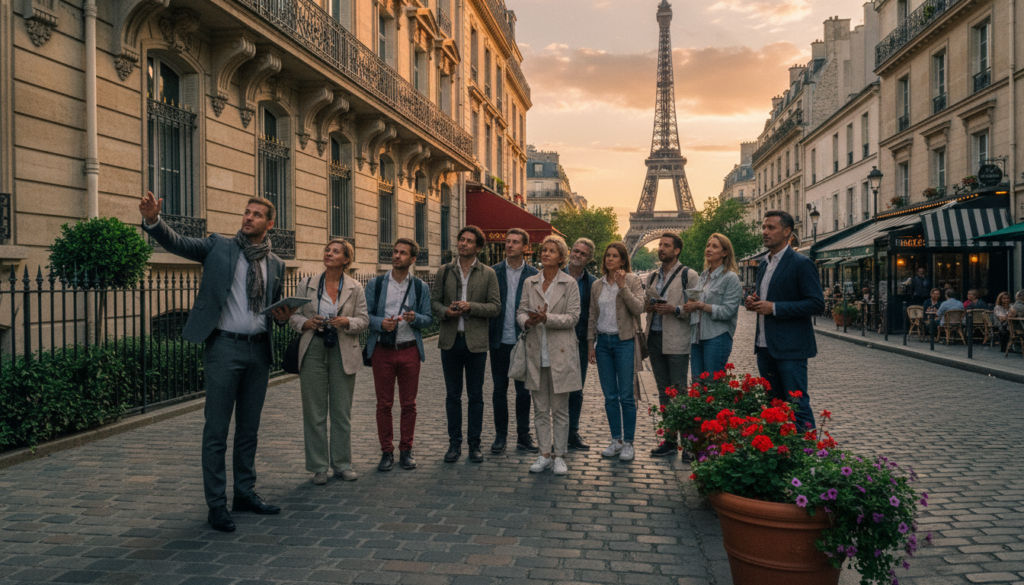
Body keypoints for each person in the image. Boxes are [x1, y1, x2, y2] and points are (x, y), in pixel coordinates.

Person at [139, 191, 295, 533]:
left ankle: (244, 493)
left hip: (259, 352)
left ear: (270, 224)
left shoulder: (276, 264)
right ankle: (216, 505)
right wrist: (154, 220)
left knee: (249, 430)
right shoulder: (218, 247)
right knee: (216, 431)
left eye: (256, 215)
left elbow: (275, 312)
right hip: (224, 348)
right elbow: (178, 243)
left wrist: (282, 316)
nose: (248, 218)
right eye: (246, 212)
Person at [289, 240, 369, 484]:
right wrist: (307, 323)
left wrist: (347, 322)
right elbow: (293, 314)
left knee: (341, 411)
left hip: (343, 348)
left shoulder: (356, 287)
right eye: (327, 250)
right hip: (313, 346)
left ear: (346, 259)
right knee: (314, 411)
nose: (329, 253)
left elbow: (364, 320)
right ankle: (318, 467)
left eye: (335, 251)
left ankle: (342, 464)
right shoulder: (308, 283)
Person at [745, 210, 824, 431]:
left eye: (771, 228)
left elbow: (816, 303)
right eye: (764, 227)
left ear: (787, 232)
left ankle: (808, 458)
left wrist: (775, 308)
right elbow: (765, 299)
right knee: (773, 407)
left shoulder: (801, 263)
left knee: (797, 405)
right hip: (764, 347)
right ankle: (781, 455)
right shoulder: (763, 264)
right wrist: (753, 302)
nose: (765, 232)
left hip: (790, 349)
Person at [431, 226, 501, 464]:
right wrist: (446, 312)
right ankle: (454, 444)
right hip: (450, 341)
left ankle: (474, 444)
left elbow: (495, 307)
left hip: (476, 344)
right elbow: (434, 303)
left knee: (475, 396)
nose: (463, 244)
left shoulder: (488, 273)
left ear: (478, 247)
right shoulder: (444, 271)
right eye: (461, 239)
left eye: (469, 241)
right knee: (452, 396)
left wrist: (471, 306)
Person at [365, 239, 433, 472]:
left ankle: (406, 450)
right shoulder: (375, 284)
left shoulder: (420, 287)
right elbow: (365, 317)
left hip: (409, 349)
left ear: (413, 259)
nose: (397, 256)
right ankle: (386, 452)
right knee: (384, 404)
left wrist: (416, 318)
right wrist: (381, 323)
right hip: (383, 351)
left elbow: (428, 318)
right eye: (395, 252)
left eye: (403, 253)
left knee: (409, 404)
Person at [517, 235, 581, 475]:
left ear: (561, 258)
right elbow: (520, 310)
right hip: (536, 351)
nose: (545, 254)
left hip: (560, 353)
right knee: (541, 408)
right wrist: (528, 321)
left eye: (552, 251)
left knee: (560, 409)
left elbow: (574, 317)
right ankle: (544, 454)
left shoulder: (569, 284)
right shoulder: (530, 282)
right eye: (544, 250)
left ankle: (560, 455)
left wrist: (547, 318)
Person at [587, 242, 644, 461]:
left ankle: (629, 442)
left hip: (624, 342)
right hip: (603, 344)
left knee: (627, 396)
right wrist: (590, 344)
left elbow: (638, 308)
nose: (609, 259)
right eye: (607, 255)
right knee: (610, 396)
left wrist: (623, 287)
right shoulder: (597, 285)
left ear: (623, 260)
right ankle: (616, 440)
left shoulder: (632, 280)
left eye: (615, 256)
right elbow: (593, 315)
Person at [644, 232, 700, 457]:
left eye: (666, 245)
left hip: (677, 338)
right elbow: (644, 304)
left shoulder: (689, 275)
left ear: (677, 250)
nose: (661, 248)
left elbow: (694, 307)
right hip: (655, 337)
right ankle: (669, 440)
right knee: (663, 392)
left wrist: (675, 309)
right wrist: (648, 307)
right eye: (660, 245)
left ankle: (687, 444)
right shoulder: (651, 277)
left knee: (679, 391)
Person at [488, 228, 539, 454]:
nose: (510, 245)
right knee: (499, 389)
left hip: (523, 340)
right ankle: (500, 435)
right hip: (499, 339)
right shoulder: (493, 272)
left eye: (515, 242)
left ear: (525, 248)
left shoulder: (534, 274)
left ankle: (523, 434)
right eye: (508, 241)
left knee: (523, 391)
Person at [684, 233, 743, 378]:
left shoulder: (730, 277)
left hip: (717, 337)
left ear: (725, 252)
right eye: (708, 246)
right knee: (697, 386)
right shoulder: (703, 276)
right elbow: (696, 300)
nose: (709, 249)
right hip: (697, 336)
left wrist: (702, 306)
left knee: (712, 385)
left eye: (714, 246)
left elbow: (729, 311)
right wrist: (690, 304)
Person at [563, 238, 597, 451]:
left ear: (589, 259)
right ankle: (556, 432)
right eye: (575, 251)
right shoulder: (553, 275)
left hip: (579, 342)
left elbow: (593, 316)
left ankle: (571, 432)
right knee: (554, 390)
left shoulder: (592, 283)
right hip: (555, 340)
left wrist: (591, 343)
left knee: (576, 390)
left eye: (582, 254)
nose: (577, 255)